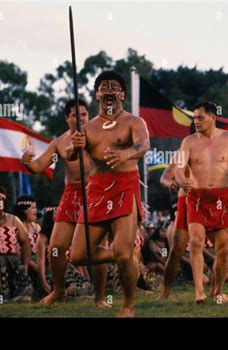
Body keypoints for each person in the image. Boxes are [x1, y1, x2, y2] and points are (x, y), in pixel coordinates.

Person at [68, 71, 150, 317]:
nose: (110, 91)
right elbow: (72, 155)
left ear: (122, 94)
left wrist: (126, 154)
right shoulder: (87, 127)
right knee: (80, 255)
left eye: (115, 87)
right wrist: (76, 146)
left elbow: (144, 145)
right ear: (97, 95)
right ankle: (123, 255)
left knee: (125, 256)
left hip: (125, 185)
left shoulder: (134, 122)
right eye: (104, 87)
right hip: (96, 188)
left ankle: (127, 306)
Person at [21, 99, 108, 307]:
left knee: (98, 246)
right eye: (74, 115)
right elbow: (39, 165)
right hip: (71, 195)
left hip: (96, 192)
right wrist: (27, 162)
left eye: (84, 114)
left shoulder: (99, 134)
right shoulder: (58, 142)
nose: (80, 119)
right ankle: (58, 290)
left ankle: (100, 296)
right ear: (66, 118)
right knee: (56, 247)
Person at [175, 101, 228, 304]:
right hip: (197, 197)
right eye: (194, 118)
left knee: (223, 249)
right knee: (197, 242)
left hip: (222, 197)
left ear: (213, 118)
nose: (196, 121)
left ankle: (217, 291)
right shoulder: (188, 141)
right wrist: (183, 181)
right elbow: (179, 168)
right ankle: (199, 291)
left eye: (200, 117)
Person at [36, 206, 94, 298]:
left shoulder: (68, 234)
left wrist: (85, 277)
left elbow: (76, 260)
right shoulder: (43, 237)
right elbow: (41, 260)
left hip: (70, 269)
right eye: (56, 213)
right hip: (52, 270)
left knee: (87, 287)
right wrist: (43, 282)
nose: (59, 216)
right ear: (49, 216)